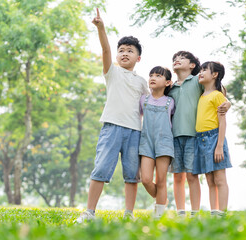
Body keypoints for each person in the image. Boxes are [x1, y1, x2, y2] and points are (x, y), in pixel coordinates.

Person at [75, 8, 149, 222]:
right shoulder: (112, 72)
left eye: (130, 51)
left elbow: (152, 104)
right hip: (112, 128)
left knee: (131, 175)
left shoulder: (143, 82)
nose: (125, 53)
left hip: (135, 131)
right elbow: (106, 50)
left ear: (139, 57)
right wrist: (101, 28)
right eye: (122, 50)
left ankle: (129, 214)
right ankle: (89, 212)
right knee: (101, 169)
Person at [168, 51, 230, 217]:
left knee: (195, 176)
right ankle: (183, 211)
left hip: (199, 137)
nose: (177, 60)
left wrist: (227, 102)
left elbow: (218, 90)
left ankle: (205, 212)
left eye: (181, 58)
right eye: (174, 59)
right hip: (179, 137)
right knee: (185, 177)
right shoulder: (172, 88)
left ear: (192, 65)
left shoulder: (197, 81)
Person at [193, 61, 232, 217]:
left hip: (214, 138)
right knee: (209, 180)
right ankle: (214, 211)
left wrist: (219, 146)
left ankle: (222, 212)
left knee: (220, 179)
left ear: (215, 74)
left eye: (204, 70)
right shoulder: (201, 95)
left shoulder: (217, 95)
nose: (200, 72)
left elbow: (223, 121)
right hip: (200, 140)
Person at [139, 66, 175, 218]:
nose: (153, 78)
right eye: (151, 75)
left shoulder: (171, 102)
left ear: (167, 83)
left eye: (158, 76)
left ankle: (159, 214)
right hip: (146, 142)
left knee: (161, 181)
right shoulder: (143, 99)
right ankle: (162, 199)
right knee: (146, 179)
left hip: (164, 143)